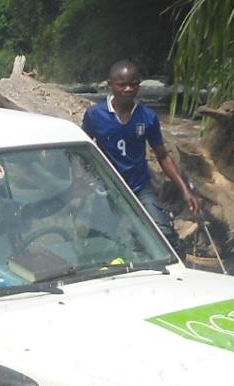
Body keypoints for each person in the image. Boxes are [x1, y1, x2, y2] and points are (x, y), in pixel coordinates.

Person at [81, 60, 200, 252]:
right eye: (122, 85)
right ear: (110, 85)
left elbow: (162, 155)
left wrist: (185, 190)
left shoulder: (147, 116)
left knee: (164, 235)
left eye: (133, 84)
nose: (128, 89)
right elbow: (82, 149)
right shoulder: (95, 115)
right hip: (108, 187)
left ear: (139, 85)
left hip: (139, 185)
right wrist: (84, 179)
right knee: (98, 242)